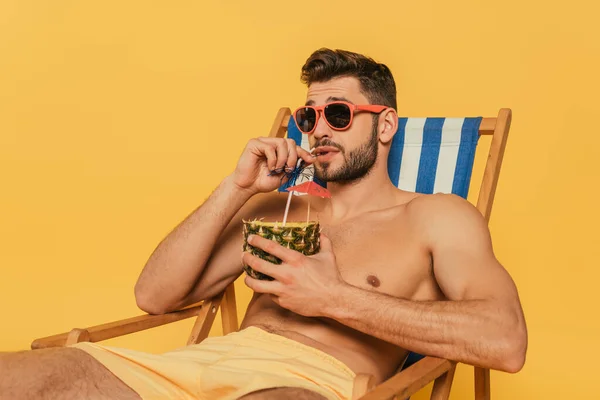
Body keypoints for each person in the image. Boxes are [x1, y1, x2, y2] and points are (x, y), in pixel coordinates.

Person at [0, 48, 527, 400]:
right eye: (309, 117)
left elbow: (505, 342)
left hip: (302, 385)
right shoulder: (276, 210)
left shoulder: (435, 217)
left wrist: (333, 297)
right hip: (188, 371)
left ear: (385, 123)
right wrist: (236, 188)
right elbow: (154, 296)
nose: (320, 129)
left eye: (338, 114)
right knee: (28, 375)